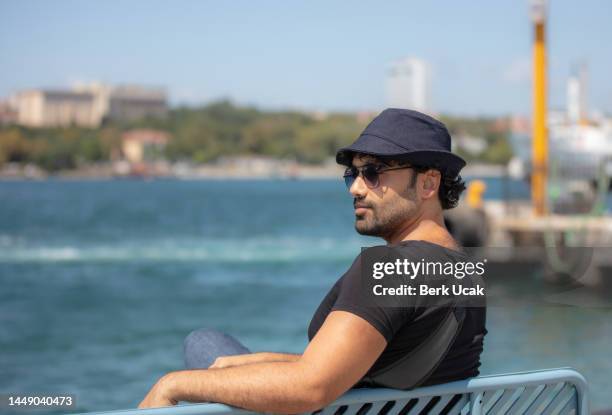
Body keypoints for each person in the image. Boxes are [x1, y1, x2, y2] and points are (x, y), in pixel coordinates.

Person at [138, 108, 487, 412]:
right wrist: (257, 362)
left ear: (428, 184)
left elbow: (311, 388)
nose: (356, 188)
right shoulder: (465, 269)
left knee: (201, 344)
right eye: (354, 173)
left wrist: (172, 384)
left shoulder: (387, 269)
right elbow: (377, 371)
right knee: (215, 351)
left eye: (374, 173)